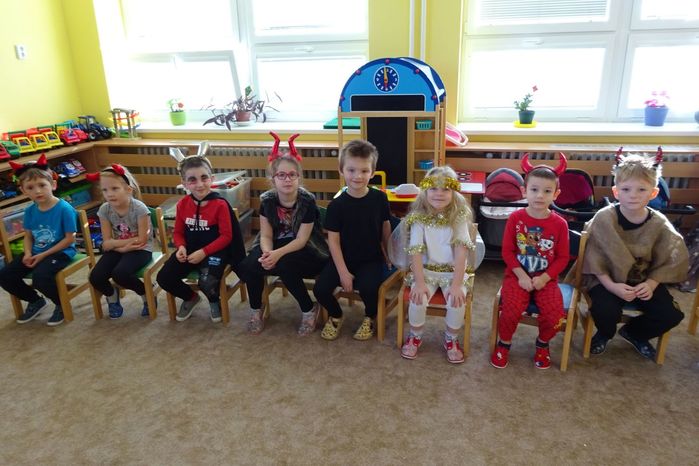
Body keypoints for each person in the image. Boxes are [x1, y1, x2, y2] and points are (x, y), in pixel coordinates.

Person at [580, 148, 688, 360]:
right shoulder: (604, 218)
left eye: (641, 189)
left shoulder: (659, 223)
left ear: (653, 193)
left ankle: (634, 333)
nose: (633, 195)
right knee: (605, 310)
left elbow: (668, 257)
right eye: (626, 189)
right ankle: (604, 333)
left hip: (643, 280)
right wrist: (612, 286)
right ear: (616, 191)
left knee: (670, 315)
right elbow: (593, 257)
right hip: (607, 279)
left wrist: (651, 284)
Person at [238, 132, 329, 335]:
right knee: (250, 265)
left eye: (292, 175)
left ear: (298, 177)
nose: (287, 179)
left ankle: (308, 308)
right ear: (273, 179)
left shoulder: (307, 201)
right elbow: (265, 235)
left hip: (307, 248)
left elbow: (302, 239)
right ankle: (256, 308)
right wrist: (267, 253)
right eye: (281, 175)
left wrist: (276, 255)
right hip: (275, 245)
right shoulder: (267, 200)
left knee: (285, 265)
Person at [491, 153, 570, 370]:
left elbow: (563, 257)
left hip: (547, 280)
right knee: (510, 310)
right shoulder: (516, 218)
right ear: (524, 191)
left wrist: (544, 278)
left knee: (555, 314)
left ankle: (542, 344)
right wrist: (521, 276)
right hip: (517, 277)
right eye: (534, 189)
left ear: (556, 194)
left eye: (547, 191)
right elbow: (507, 252)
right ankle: (504, 343)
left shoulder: (560, 224)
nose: (540, 196)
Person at [313, 139, 391, 341]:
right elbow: (333, 241)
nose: (358, 176)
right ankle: (336, 315)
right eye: (351, 170)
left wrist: (389, 253)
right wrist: (343, 272)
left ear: (372, 172)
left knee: (369, 289)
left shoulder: (380, 198)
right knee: (320, 289)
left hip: (370, 259)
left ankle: (370, 316)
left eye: (364, 171)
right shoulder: (336, 206)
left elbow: (385, 226)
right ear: (342, 170)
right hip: (342, 258)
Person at [399, 166, 476, 364]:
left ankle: (451, 338)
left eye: (445, 189)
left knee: (456, 301)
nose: (439, 193)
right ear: (425, 191)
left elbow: (461, 252)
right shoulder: (419, 217)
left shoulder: (459, 217)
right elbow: (415, 251)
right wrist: (419, 283)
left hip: (453, 273)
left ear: (453, 192)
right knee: (418, 298)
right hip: (426, 271)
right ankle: (415, 335)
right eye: (433, 188)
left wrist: (457, 285)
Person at [156, 154, 239, 323]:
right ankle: (191, 297)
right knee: (163, 278)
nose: (200, 184)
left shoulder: (220, 204)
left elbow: (227, 236)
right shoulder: (182, 204)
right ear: (184, 183)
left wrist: (204, 252)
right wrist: (181, 247)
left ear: (212, 179)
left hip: (215, 251)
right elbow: (178, 232)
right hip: (189, 250)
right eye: (192, 180)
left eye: (204, 178)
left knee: (207, 281)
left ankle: (214, 301)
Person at [0, 154, 78, 326]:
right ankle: (35, 300)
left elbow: (69, 239)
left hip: (61, 251)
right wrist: (28, 253)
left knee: (40, 278)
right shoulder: (30, 211)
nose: (37, 191)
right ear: (23, 191)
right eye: (30, 187)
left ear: (53, 185)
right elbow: (28, 236)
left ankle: (61, 304)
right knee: (5, 276)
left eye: (42, 185)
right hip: (36, 251)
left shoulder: (64, 209)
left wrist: (42, 256)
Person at [87, 164, 153, 318]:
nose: (109, 194)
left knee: (120, 274)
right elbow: (106, 243)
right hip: (119, 249)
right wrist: (120, 247)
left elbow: (142, 239)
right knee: (95, 276)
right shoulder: (104, 209)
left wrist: (115, 244)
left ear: (128, 190)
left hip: (141, 249)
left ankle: (147, 294)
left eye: (114, 189)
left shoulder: (139, 208)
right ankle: (112, 296)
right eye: (105, 190)